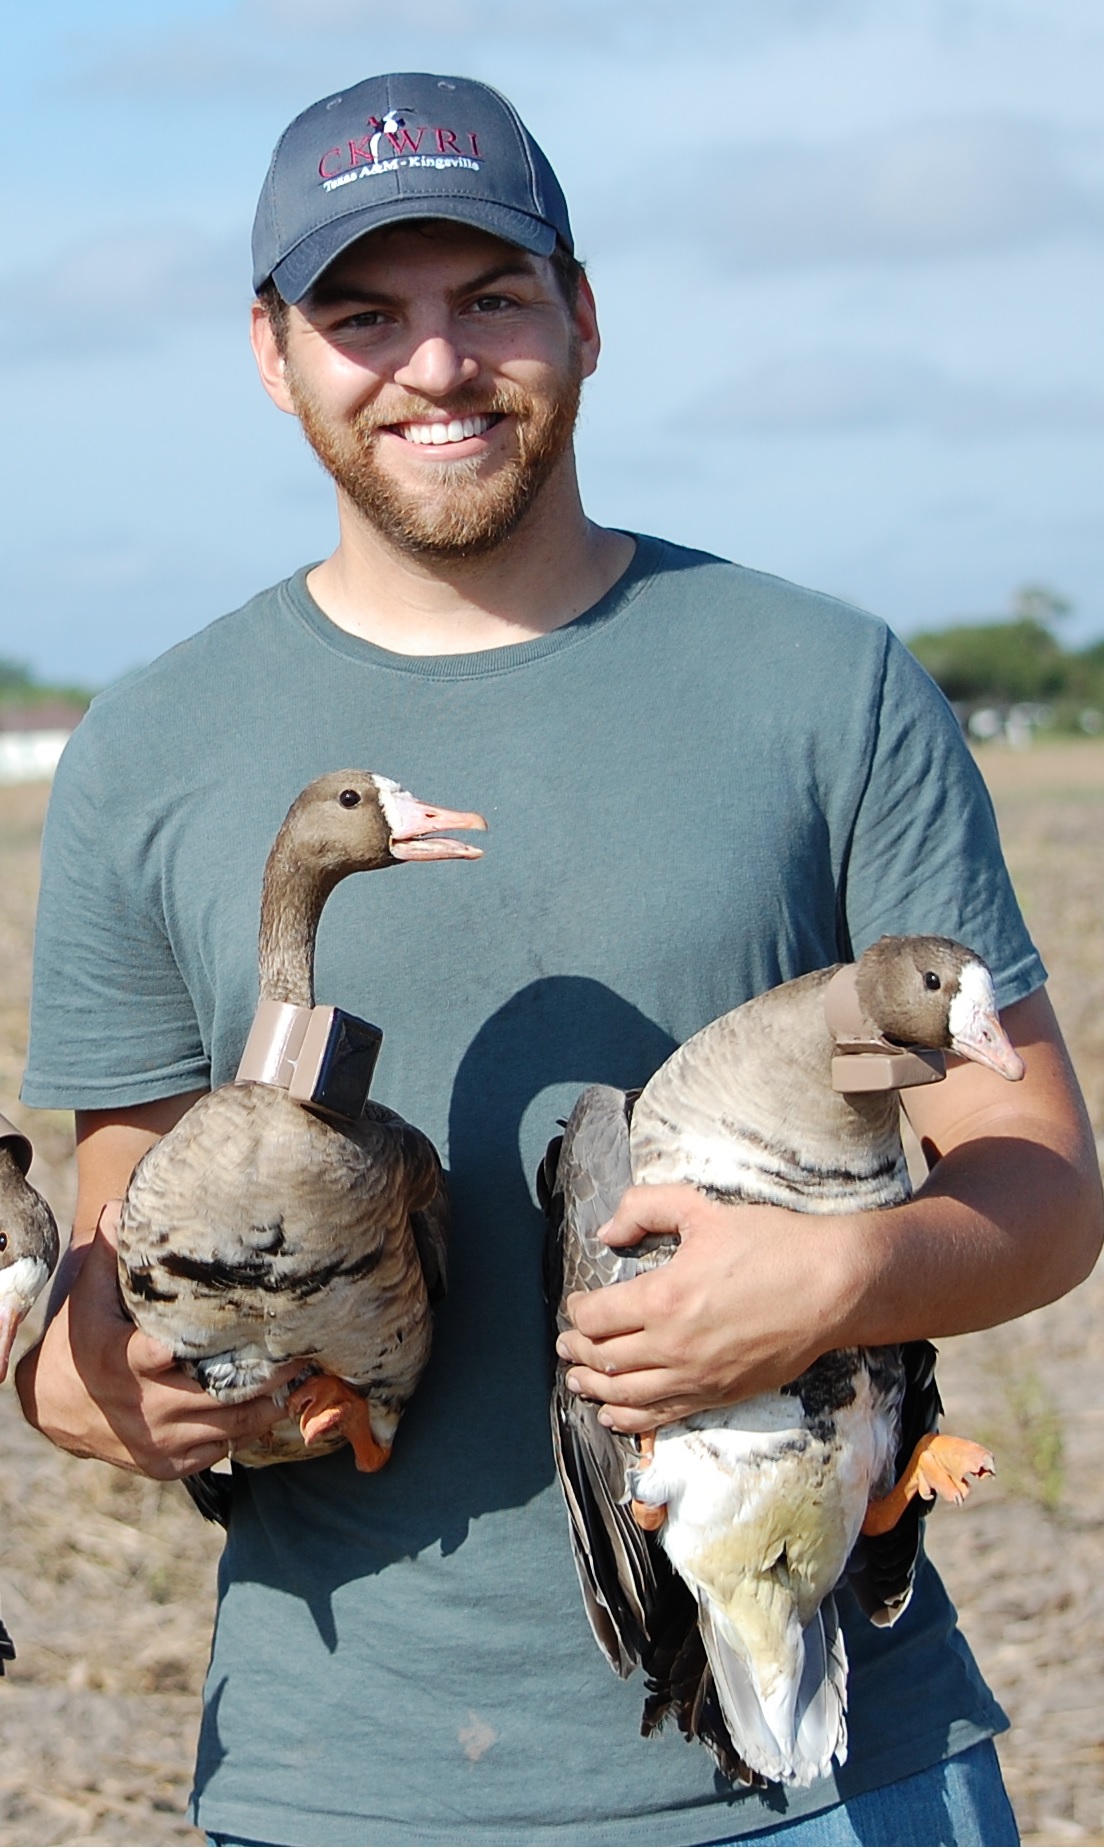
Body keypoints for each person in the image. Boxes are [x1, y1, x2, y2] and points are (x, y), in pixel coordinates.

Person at [16, 70, 1101, 1848]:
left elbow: (1045, 1180)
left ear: (584, 315)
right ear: (273, 349)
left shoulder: (820, 683)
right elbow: (125, 1212)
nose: (436, 366)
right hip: (340, 1784)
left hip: (827, 1771)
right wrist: (84, 1378)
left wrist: (844, 1281)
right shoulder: (154, 749)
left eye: (491, 298)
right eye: (365, 314)